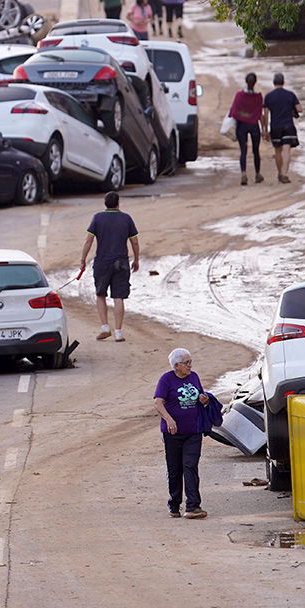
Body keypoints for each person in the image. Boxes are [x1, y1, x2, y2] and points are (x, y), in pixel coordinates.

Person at [153, 348, 209, 519]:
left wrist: (204, 399)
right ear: (176, 365)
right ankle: (174, 504)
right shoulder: (166, 379)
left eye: (191, 362)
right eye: (187, 363)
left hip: (193, 431)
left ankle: (193, 506)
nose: (190, 365)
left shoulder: (194, 377)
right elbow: (158, 403)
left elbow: (200, 394)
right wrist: (169, 419)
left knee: (190, 466)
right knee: (175, 468)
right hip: (173, 433)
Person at [78, 191, 140, 342]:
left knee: (101, 294)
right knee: (118, 296)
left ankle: (105, 326)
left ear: (105, 203)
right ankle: (119, 332)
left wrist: (83, 260)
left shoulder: (98, 218)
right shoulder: (126, 218)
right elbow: (135, 242)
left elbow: (88, 240)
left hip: (102, 262)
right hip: (121, 262)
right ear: (118, 203)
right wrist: (136, 260)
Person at [262, 72, 302, 183]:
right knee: (286, 151)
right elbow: (299, 109)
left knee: (277, 151)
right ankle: (285, 173)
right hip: (288, 125)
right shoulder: (290, 95)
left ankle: (279, 173)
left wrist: (265, 130)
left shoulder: (269, 96)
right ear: (283, 82)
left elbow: (265, 115)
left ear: (274, 82)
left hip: (275, 126)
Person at [228, 72, 264, 185]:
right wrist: (264, 129)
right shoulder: (258, 97)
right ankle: (257, 174)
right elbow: (260, 114)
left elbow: (233, 111)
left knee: (243, 151)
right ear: (255, 83)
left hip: (241, 126)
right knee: (255, 151)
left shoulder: (239, 96)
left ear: (245, 81)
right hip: (254, 126)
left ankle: (243, 174)